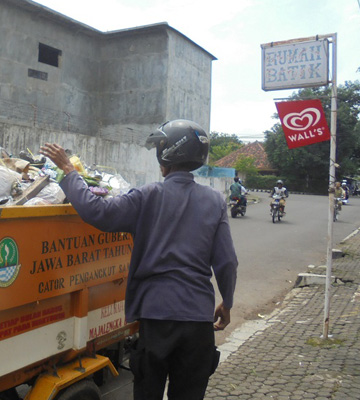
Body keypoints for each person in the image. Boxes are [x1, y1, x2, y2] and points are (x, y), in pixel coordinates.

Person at [40, 119, 238, 400]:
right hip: (197, 322)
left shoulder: (148, 195)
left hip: (155, 321)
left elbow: (97, 212)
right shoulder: (215, 201)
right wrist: (227, 303)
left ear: (165, 155)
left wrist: (70, 172)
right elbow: (227, 262)